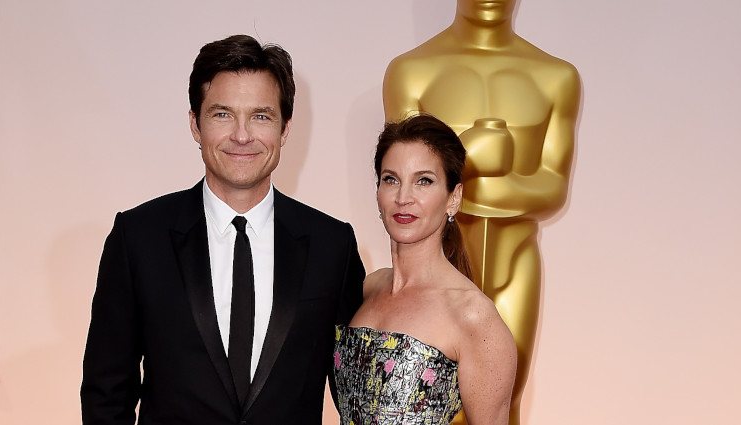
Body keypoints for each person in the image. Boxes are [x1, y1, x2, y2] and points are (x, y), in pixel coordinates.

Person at [81, 34, 365, 425]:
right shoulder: (138, 238)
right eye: (222, 114)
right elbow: (105, 393)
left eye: (261, 116)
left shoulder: (332, 246)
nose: (242, 135)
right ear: (195, 125)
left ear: (284, 130)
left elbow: (355, 392)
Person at [383, 1, 581, 422]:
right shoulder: (412, 71)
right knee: (428, 404)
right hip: (436, 265)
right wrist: (480, 156)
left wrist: (470, 168)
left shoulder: (556, 77)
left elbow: (553, 187)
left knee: (505, 401)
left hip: (515, 262)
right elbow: (406, 177)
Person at [333, 114, 517, 425]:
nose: (403, 198)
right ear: (377, 191)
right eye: (391, 179)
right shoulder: (370, 288)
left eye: (424, 181)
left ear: (453, 197)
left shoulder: (474, 317)